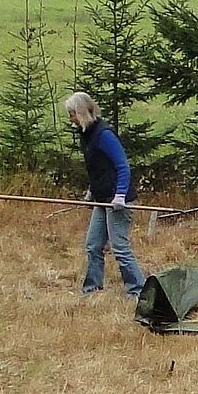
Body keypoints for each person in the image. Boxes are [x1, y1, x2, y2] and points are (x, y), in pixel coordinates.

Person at [65, 91, 144, 298]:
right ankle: (92, 289)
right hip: (102, 199)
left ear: (82, 112)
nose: (70, 118)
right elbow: (97, 168)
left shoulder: (104, 134)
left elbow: (122, 166)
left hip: (117, 200)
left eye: (72, 114)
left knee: (120, 248)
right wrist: (92, 191)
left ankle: (138, 291)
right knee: (93, 245)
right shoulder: (86, 134)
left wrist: (120, 195)